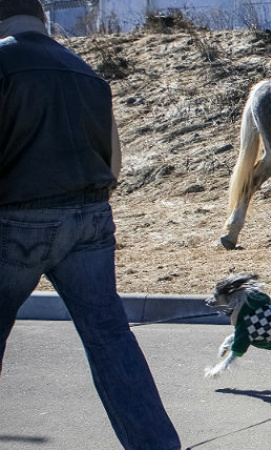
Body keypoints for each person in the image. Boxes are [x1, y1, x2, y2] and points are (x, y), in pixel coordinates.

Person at [0, 1, 181, 449]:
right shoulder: (86, 72)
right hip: (91, 219)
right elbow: (115, 163)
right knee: (111, 340)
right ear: (43, 19)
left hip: (16, 218)